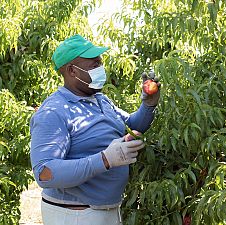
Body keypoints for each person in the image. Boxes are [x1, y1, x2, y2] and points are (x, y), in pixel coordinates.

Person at [30, 34, 160, 225]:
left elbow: (133, 126)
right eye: (94, 65)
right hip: (75, 215)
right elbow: (45, 173)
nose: (101, 69)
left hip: (107, 211)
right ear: (72, 71)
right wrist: (105, 159)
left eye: (100, 63)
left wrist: (148, 105)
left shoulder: (100, 100)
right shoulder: (54, 111)